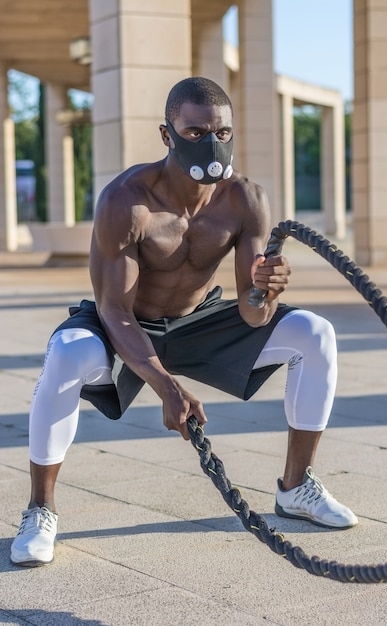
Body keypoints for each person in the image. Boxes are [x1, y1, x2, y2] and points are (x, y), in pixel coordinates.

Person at [11, 76, 358, 567]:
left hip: (200, 318)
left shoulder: (245, 199)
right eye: (195, 133)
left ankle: (296, 487)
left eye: (221, 132)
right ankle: (39, 509)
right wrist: (166, 386)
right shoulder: (126, 200)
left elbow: (252, 313)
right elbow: (112, 308)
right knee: (68, 352)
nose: (212, 144)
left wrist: (267, 287)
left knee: (314, 333)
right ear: (166, 134)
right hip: (126, 321)